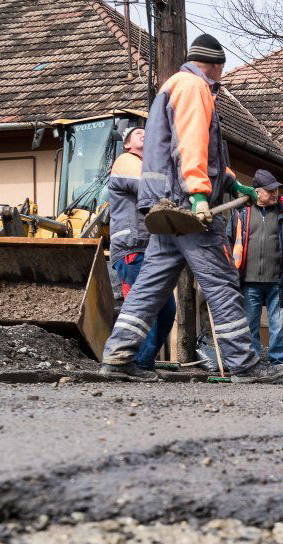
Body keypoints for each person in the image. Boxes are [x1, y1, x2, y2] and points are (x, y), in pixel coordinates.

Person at [98, 33, 283, 383]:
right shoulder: (193, 87)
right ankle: (244, 364)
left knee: (149, 286)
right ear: (215, 65)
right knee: (221, 282)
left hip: (166, 209)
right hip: (188, 208)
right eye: (222, 69)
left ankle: (118, 357)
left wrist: (232, 183)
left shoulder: (171, 87)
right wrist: (199, 195)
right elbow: (190, 144)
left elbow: (185, 152)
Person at [107, 127, 176, 371]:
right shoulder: (126, 161)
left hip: (151, 248)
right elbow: (150, 189)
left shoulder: (150, 167)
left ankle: (144, 362)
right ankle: (135, 363)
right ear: (127, 144)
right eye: (138, 133)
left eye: (148, 132)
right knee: (145, 306)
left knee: (167, 309)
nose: (145, 134)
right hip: (132, 247)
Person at [228, 169, 283, 367]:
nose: (275, 193)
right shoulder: (241, 215)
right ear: (257, 192)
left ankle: (277, 364)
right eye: (270, 190)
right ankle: (253, 364)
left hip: (279, 281)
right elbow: (229, 244)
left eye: (276, 189)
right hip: (248, 282)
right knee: (250, 325)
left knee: (279, 325)